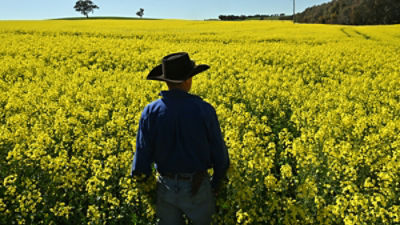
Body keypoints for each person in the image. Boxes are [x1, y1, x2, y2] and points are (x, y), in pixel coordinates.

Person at [131, 52, 230, 225]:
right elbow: (220, 155)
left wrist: (148, 188)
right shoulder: (204, 110)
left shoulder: (150, 111)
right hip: (197, 186)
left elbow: (141, 157)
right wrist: (216, 184)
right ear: (188, 80)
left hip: (165, 186)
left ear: (166, 82)